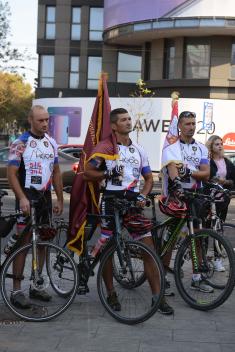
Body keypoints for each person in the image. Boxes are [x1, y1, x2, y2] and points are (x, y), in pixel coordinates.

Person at [84, 108, 174, 315]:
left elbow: (149, 178)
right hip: (111, 200)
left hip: (133, 202)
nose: (128, 122)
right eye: (123, 120)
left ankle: (156, 297)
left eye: (129, 119)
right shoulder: (106, 147)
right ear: (114, 126)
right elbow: (88, 172)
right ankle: (110, 293)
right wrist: (107, 171)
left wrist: (143, 195)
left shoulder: (139, 150)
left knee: (148, 247)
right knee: (107, 247)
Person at [7, 105, 64, 308]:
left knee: (42, 242)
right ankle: (16, 290)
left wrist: (59, 198)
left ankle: (36, 286)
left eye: (47, 120)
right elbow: (11, 174)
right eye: (40, 120)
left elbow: (56, 171)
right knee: (23, 243)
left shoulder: (52, 143)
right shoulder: (20, 143)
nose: (45, 124)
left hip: (44, 198)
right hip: (27, 197)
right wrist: (21, 197)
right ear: (31, 120)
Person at [162, 110, 214, 293]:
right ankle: (163, 277)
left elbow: (206, 174)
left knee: (197, 238)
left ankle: (197, 278)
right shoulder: (171, 148)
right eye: (187, 124)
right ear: (180, 126)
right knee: (172, 238)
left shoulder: (201, 148)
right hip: (178, 197)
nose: (191, 127)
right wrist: (181, 178)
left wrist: (189, 172)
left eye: (193, 123)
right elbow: (173, 172)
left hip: (196, 196)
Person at [205, 135, 235, 271]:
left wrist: (225, 182)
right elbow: (205, 178)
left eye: (221, 143)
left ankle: (218, 260)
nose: (220, 146)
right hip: (208, 200)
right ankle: (203, 259)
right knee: (205, 230)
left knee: (219, 230)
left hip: (223, 200)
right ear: (211, 146)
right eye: (216, 144)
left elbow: (233, 180)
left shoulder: (227, 162)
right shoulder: (207, 161)